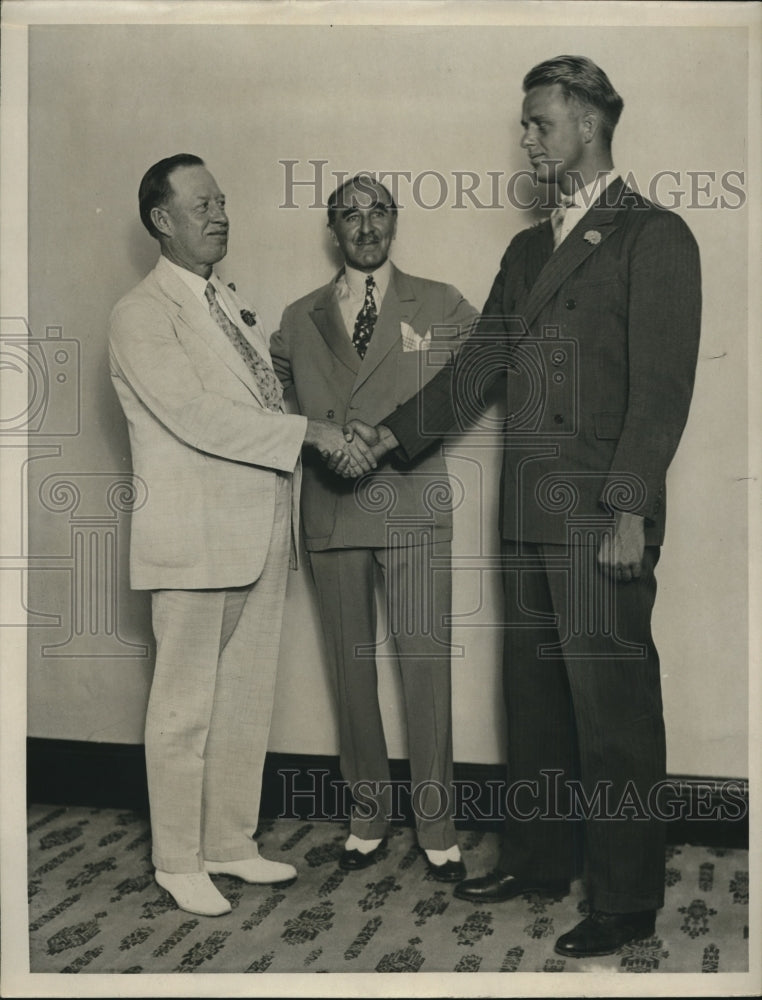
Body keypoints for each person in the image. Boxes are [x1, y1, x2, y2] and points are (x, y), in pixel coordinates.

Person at [340, 57, 702, 957]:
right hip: (525, 515)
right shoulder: (529, 248)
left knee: (614, 711)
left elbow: (662, 391)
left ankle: (626, 899)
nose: (527, 138)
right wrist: (388, 436)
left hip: (599, 518)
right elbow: (476, 372)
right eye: (525, 124)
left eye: (541, 122)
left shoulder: (652, 236)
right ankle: (542, 859)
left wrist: (627, 509)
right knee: (535, 703)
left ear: (588, 122)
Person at [108, 154, 376, 917]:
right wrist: (315, 435)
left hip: (259, 531)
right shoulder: (141, 312)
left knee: (245, 700)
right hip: (193, 541)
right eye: (201, 204)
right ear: (161, 219)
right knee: (184, 705)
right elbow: (196, 416)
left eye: (222, 200)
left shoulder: (225, 301)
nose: (220, 214)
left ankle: (228, 842)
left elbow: (258, 399)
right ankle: (177, 859)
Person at [270, 175, 478, 881]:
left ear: (396, 221)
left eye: (378, 211)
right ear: (332, 229)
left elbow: (471, 382)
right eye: (349, 214)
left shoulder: (442, 303)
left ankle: (438, 825)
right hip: (331, 511)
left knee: (425, 670)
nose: (365, 226)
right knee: (349, 672)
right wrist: (327, 440)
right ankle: (366, 816)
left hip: (412, 503)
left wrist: (387, 437)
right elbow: (271, 409)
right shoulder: (297, 319)